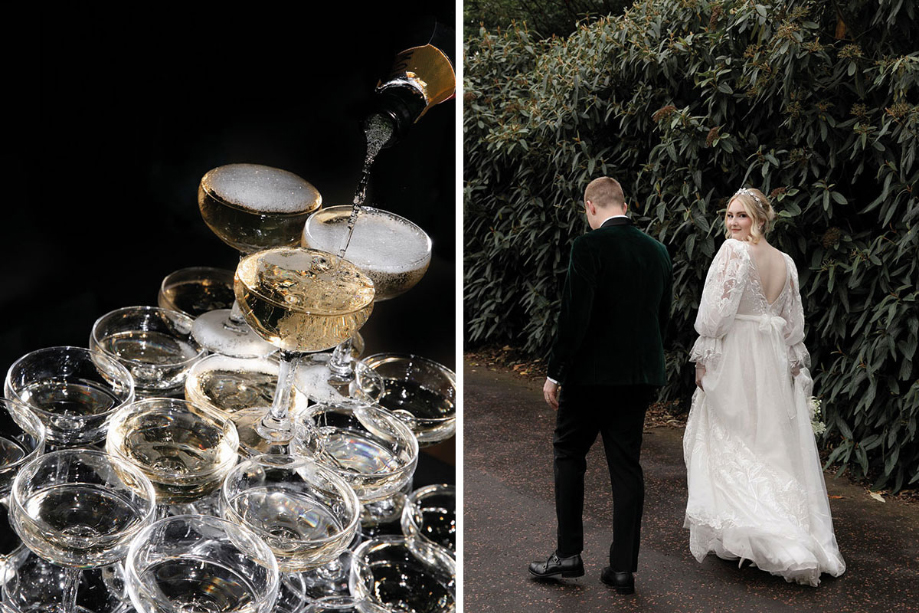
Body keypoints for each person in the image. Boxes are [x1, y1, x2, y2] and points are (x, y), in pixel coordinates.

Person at [685, 187, 846, 586]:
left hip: (738, 357)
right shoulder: (786, 262)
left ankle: (772, 537)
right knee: (767, 444)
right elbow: (793, 327)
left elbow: (715, 316)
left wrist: (703, 359)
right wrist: (792, 369)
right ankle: (772, 534)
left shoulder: (734, 252)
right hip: (771, 358)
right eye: (728, 215)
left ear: (759, 219)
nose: (732, 223)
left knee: (734, 438)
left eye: (741, 215)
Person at [528, 177, 672, 595]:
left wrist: (556, 373)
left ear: (590, 206)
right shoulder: (658, 251)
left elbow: (575, 315)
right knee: (626, 467)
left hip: (590, 377)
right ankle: (622, 569)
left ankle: (568, 554)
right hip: (638, 376)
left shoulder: (587, 247)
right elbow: (661, 317)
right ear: (624, 205)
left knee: (569, 454)